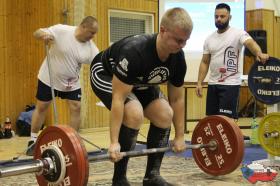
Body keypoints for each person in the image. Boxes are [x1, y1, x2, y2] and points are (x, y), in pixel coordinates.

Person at [90, 7, 192, 186]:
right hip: (105, 73)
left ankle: (152, 176)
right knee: (134, 113)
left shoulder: (178, 59)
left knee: (165, 114)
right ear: (162, 30)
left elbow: (177, 100)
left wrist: (180, 136)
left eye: (185, 41)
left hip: (139, 82)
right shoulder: (135, 51)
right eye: (178, 40)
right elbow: (119, 99)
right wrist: (114, 143)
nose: (182, 45)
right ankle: (119, 179)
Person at [26, 16, 99, 156]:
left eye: (94, 33)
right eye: (91, 32)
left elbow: (100, 63)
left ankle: (72, 140)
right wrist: (44, 35)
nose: (93, 36)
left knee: (76, 108)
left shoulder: (91, 48)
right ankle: (33, 140)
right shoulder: (62, 31)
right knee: (42, 107)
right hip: (49, 78)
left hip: (71, 82)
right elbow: (37, 32)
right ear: (83, 27)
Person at [195, 3, 269, 120]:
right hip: (213, 84)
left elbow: (250, 43)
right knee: (212, 119)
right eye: (216, 16)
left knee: (227, 120)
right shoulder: (209, 39)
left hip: (230, 85)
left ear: (229, 17)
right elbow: (205, 62)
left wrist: (259, 53)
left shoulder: (238, 33)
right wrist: (199, 82)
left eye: (222, 16)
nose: (218, 19)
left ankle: (230, 138)